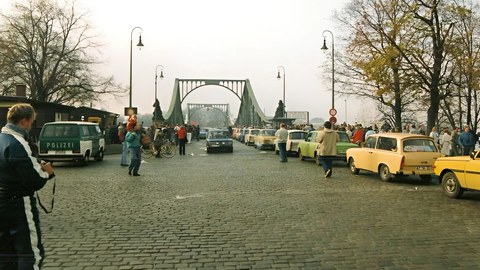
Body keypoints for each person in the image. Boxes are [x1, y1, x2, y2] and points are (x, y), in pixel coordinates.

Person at [0, 103, 55, 269]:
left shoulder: (2, 139)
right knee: (30, 253)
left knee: (6, 255)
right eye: (32, 122)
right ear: (24, 121)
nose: (31, 126)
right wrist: (47, 172)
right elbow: (34, 180)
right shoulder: (18, 143)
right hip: (18, 204)